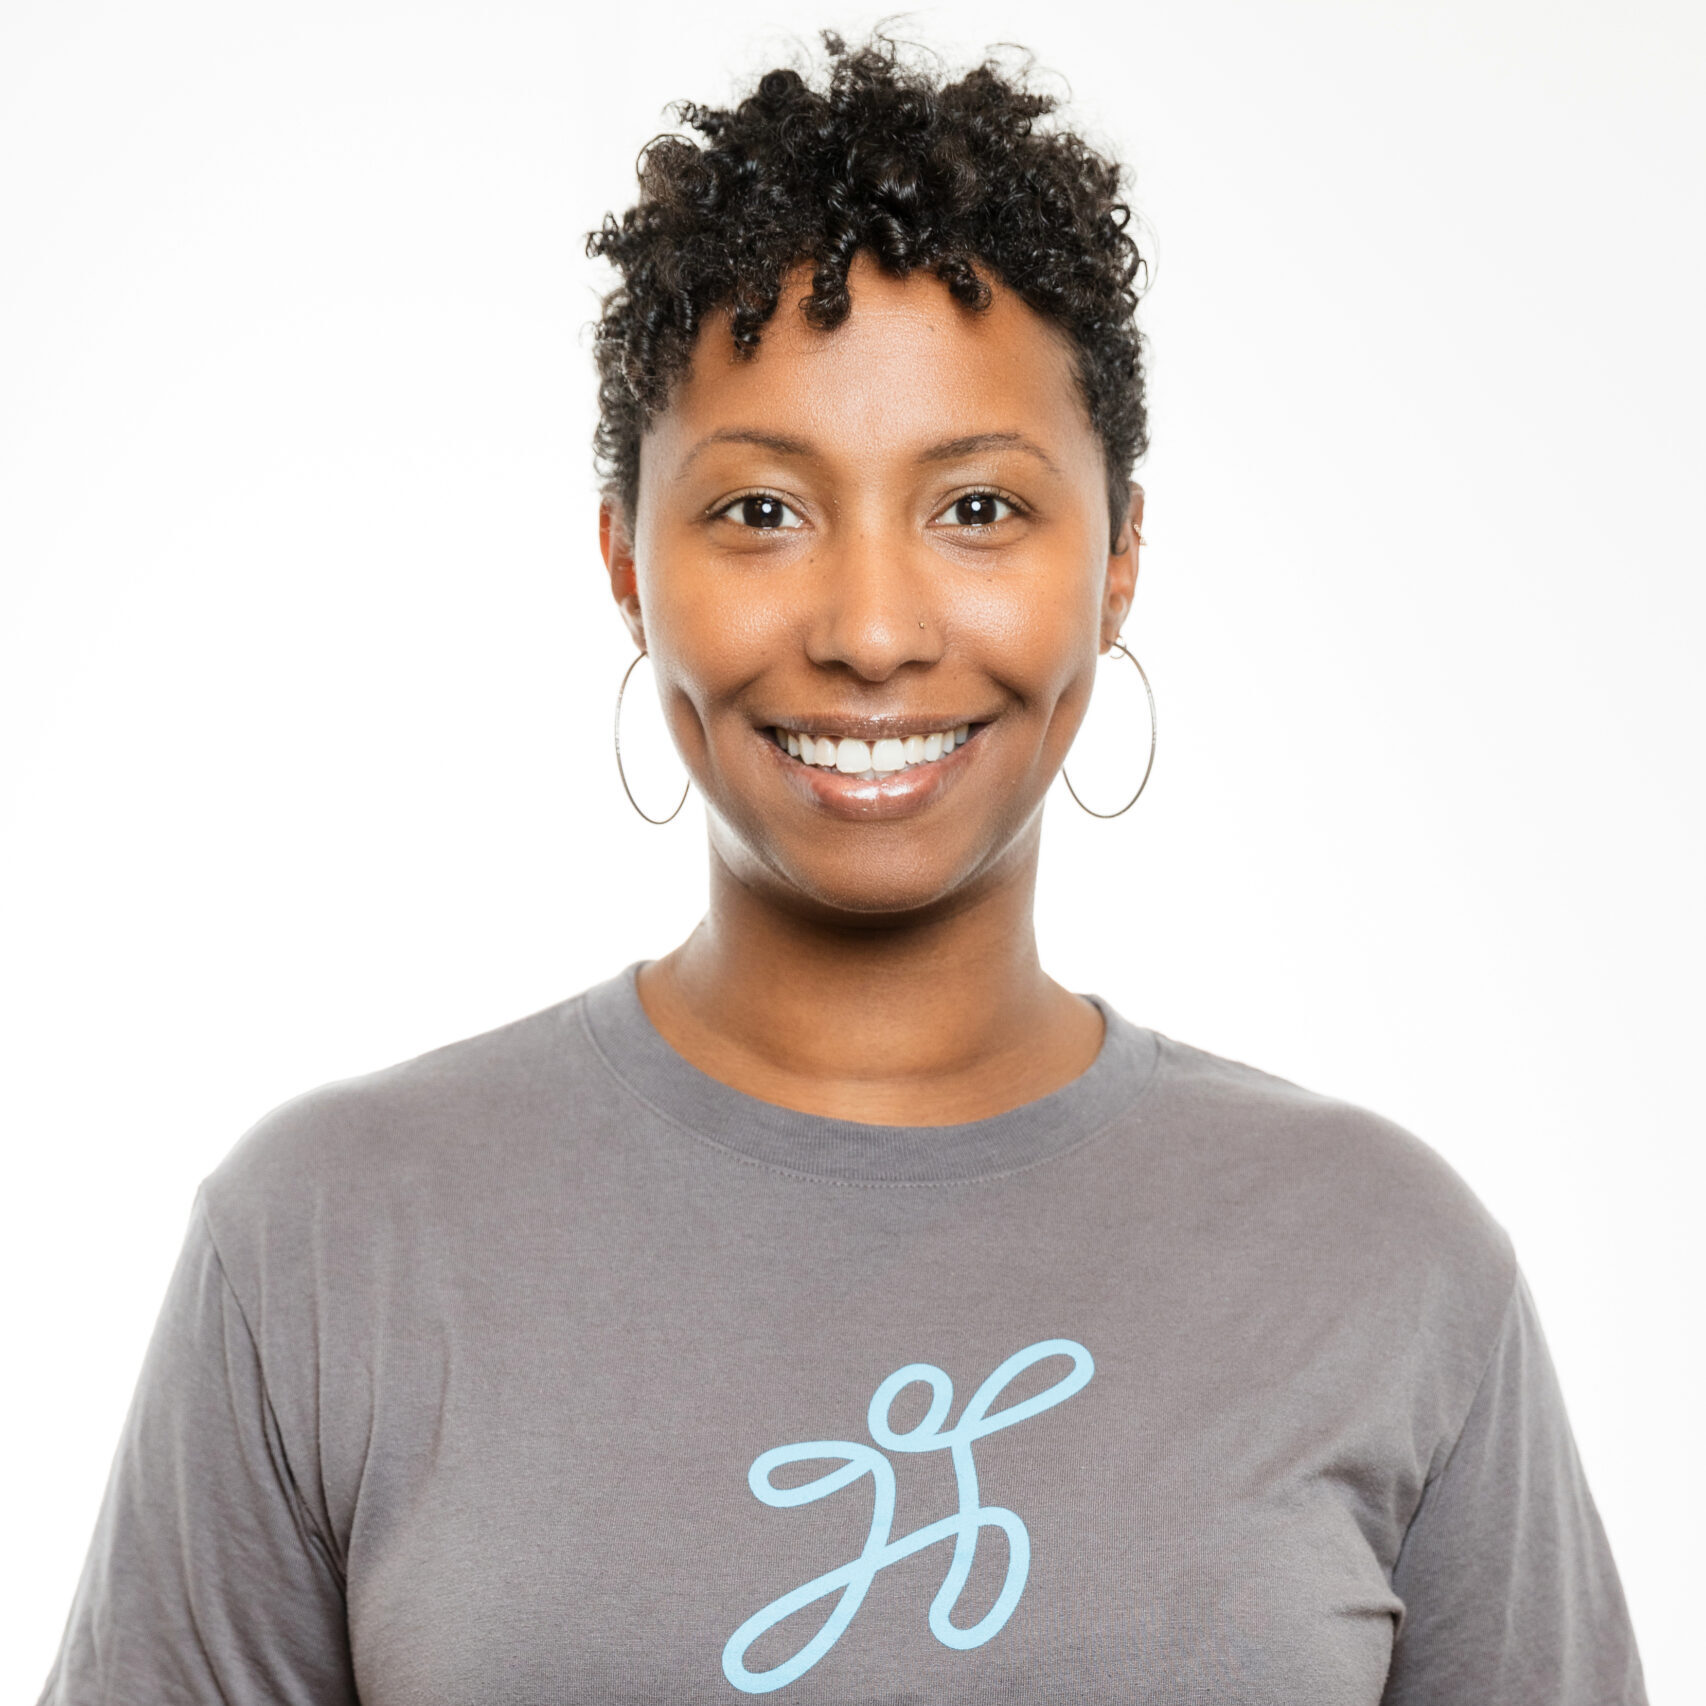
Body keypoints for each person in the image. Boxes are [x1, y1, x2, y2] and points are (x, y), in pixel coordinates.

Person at [38, 35, 1645, 1705]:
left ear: (1118, 558)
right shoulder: (329, 1244)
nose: (871, 630)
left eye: (976, 506)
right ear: (623, 558)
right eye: (759, 511)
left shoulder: (1383, 1265)